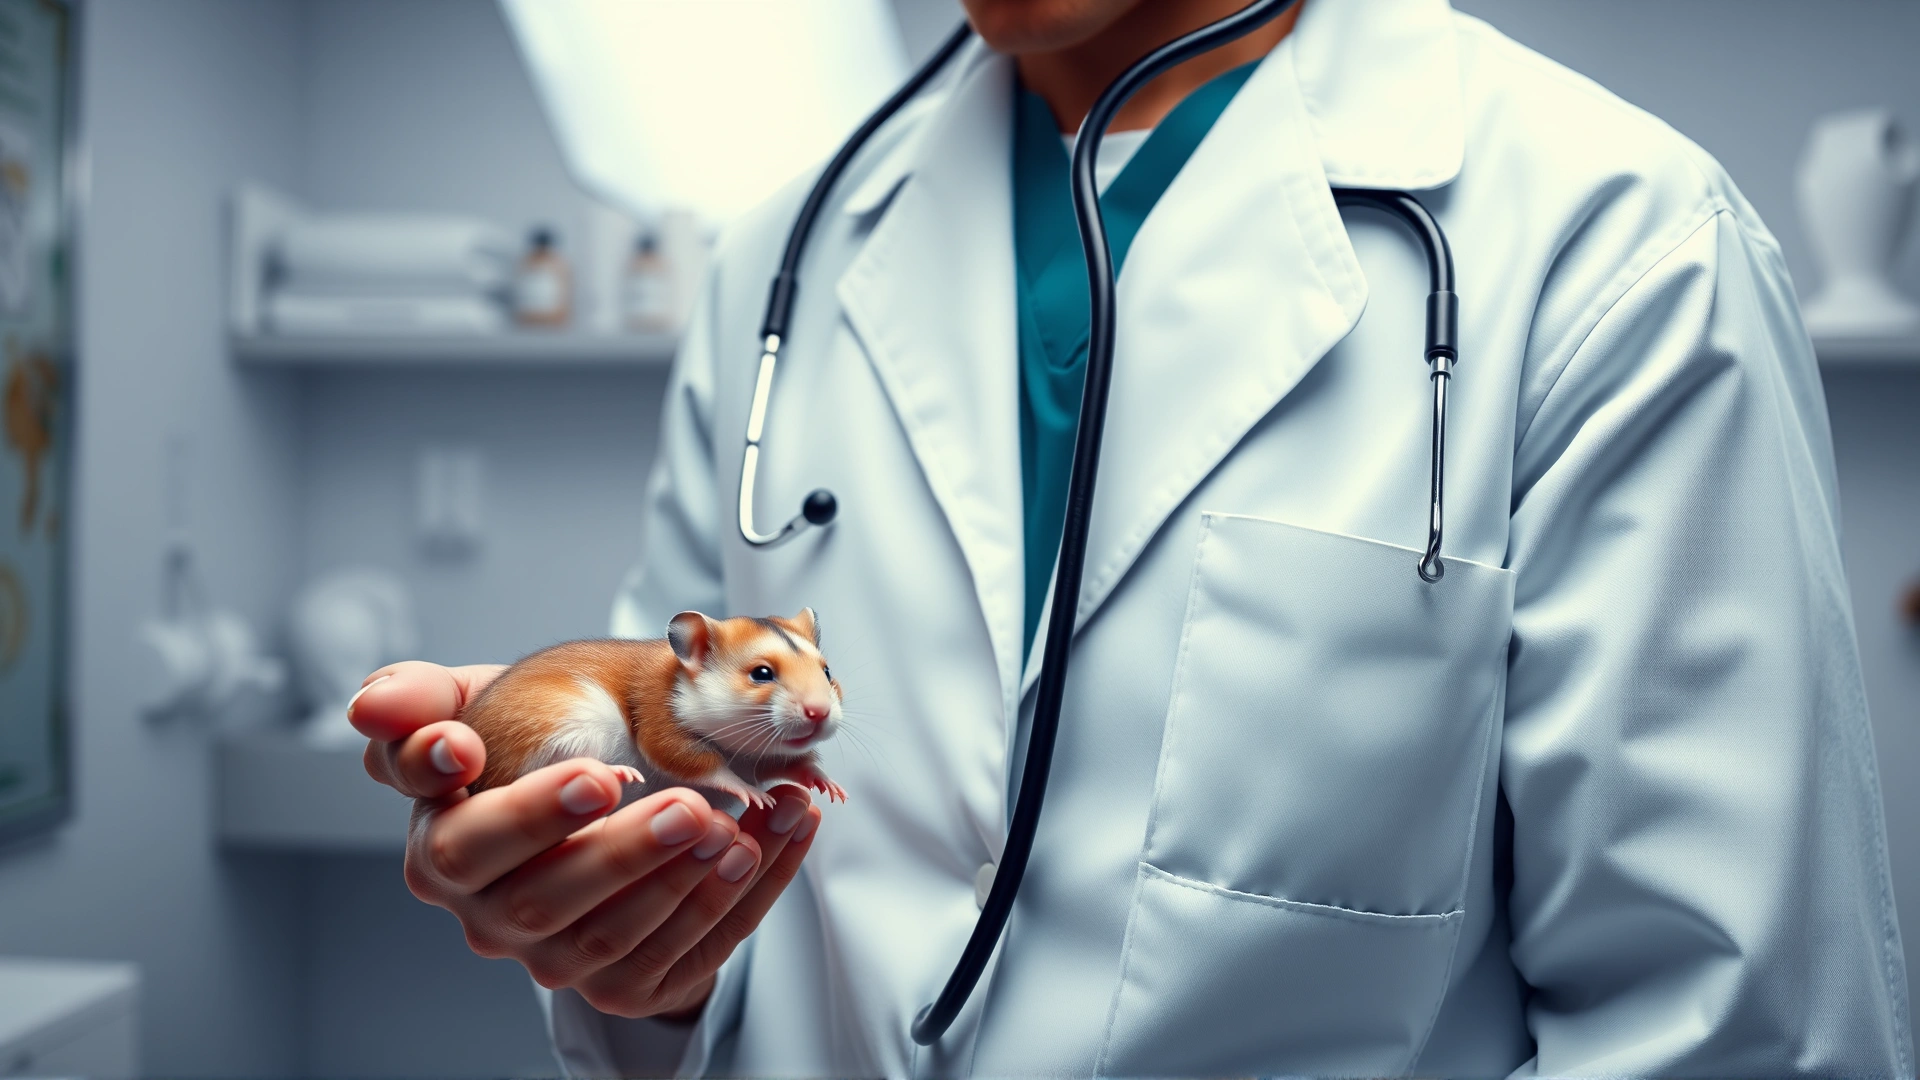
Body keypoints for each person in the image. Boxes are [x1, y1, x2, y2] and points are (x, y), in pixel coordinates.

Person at [349, 0, 1914, 1074]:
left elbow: (1732, 1036)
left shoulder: (1616, 245)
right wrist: (635, 945)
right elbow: (715, 960)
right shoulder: (786, 258)